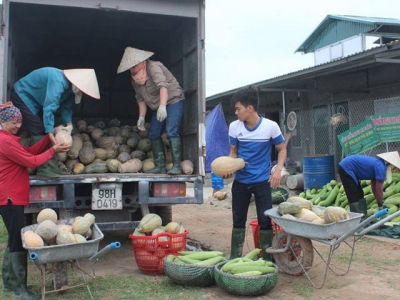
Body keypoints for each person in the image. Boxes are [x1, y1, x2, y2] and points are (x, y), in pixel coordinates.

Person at [0, 102, 69, 300]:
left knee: (13, 240)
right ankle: (20, 291)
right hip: (10, 198)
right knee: (17, 243)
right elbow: (31, 162)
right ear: (3, 122)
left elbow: (28, 153)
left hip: (10, 197)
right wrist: (53, 150)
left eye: (20, 121)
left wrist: (47, 142)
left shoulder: (8, 139)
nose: (18, 125)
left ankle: (9, 284)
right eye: (14, 122)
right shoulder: (5, 141)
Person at [222, 85, 287, 260]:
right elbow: (233, 152)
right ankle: (234, 258)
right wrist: (228, 167)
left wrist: (277, 170)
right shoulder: (235, 127)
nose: (236, 112)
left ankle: (267, 259)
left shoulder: (270, 127)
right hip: (241, 182)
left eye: (238, 108)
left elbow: (282, 149)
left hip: (262, 182)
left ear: (249, 108)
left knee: (265, 221)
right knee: (238, 221)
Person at [10, 67, 100, 178]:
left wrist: (69, 124)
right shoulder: (58, 81)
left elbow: (65, 108)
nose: (82, 92)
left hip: (36, 101)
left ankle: (52, 167)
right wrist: (49, 132)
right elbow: (49, 107)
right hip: (22, 94)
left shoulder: (70, 90)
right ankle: (44, 169)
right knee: (40, 130)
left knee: (45, 128)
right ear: (77, 84)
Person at [117, 47, 185, 175]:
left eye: (134, 67)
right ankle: (160, 166)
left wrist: (163, 106)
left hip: (173, 100)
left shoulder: (153, 67)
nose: (132, 70)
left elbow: (163, 86)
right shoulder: (134, 77)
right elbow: (140, 98)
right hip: (158, 105)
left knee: (171, 131)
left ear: (141, 62)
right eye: (130, 68)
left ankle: (176, 166)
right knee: (153, 134)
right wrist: (141, 117)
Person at [338, 151, 400, 216]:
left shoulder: (379, 164)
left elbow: (374, 186)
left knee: (360, 193)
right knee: (354, 194)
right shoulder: (380, 167)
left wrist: (380, 203)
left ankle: (362, 216)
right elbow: (379, 188)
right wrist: (380, 205)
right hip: (346, 167)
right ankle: (356, 218)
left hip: (348, 166)